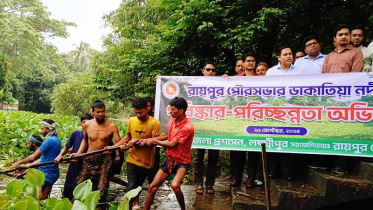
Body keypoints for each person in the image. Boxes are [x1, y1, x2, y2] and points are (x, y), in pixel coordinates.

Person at [108, 97, 162, 210]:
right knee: (131, 186)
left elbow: (154, 142)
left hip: (146, 162)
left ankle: (137, 205)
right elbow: (128, 137)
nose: (138, 115)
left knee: (138, 186)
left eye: (140, 112)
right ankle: (128, 207)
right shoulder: (132, 120)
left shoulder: (154, 123)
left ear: (147, 109)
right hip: (132, 159)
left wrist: (136, 141)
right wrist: (114, 147)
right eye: (135, 112)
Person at [142, 97, 194, 210]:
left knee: (175, 186)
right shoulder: (173, 119)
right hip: (170, 159)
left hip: (182, 161)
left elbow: (172, 144)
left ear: (181, 111)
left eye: (173, 109)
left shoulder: (187, 126)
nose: (170, 111)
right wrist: (150, 139)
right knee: (152, 186)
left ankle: (183, 209)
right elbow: (167, 135)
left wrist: (154, 141)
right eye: (170, 109)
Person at [71, 101, 121, 208]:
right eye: (98, 112)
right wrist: (79, 153)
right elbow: (85, 140)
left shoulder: (112, 127)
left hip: (104, 159)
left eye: (102, 111)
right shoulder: (87, 125)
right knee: (80, 184)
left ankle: (100, 207)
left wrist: (113, 149)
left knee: (102, 188)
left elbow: (119, 143)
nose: (101, 114)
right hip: (89, 158)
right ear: (93, 113)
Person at [10, 119, 61, 200]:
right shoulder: (57, 139)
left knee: (39, 201)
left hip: (46, 174)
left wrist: (18, 163)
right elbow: (43, 159)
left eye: (42, 129)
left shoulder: (49, 140)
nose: (40, 131)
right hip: (51, 173)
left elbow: (32, 157)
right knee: (45, 200)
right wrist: (27, 167)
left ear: (49, 129)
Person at [54, 113, 93, 201]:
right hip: (74, 166)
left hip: (86, 166)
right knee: (68, 191)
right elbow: (67, 147)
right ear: (81, 124)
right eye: (84, 122)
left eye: (89, 122)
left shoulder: (93, 136)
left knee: (83, 191)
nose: (86, 124)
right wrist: (60, 155)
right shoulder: (76, 134)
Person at [195, 61, 220, 194]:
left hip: (216, 127)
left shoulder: (222, 85)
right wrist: (160, 80)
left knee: (213, 157)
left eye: (214, 70)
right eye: (208, 69)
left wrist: (228, 80)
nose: (211, 72)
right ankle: (199, 183)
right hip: (200, 128)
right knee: (199, 157)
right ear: (203, 71)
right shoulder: (195, 84)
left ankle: (210, 184)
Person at [144, 97, 160, 184]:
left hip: (154, 153)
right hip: (140, 153)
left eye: (148, 106)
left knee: (152, 178)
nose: (146, 109)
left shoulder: (157, 118)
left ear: (153, 107)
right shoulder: (137, 119)